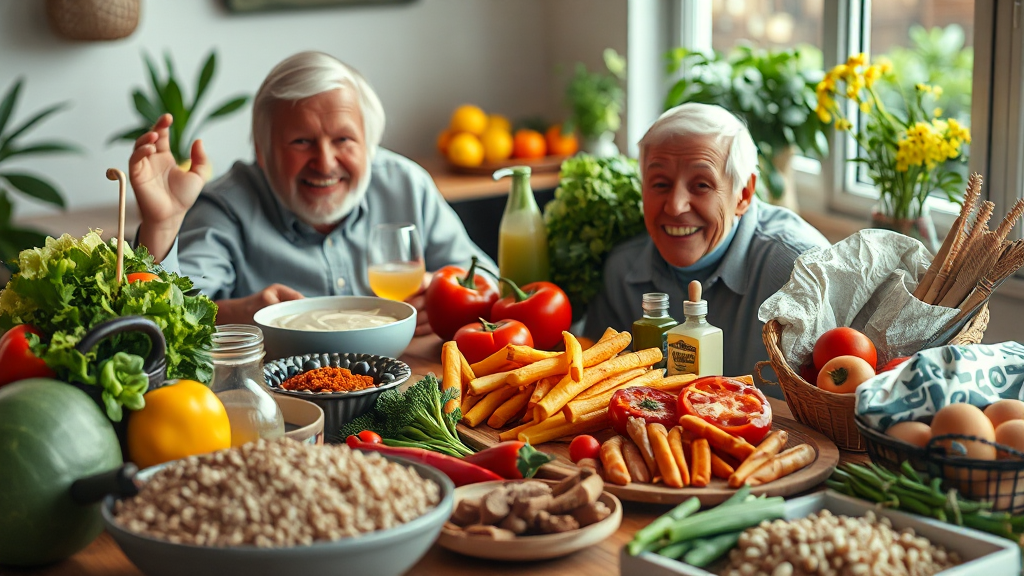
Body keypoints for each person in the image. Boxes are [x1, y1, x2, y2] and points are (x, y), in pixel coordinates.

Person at [129, 51, 493, 330]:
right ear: (262, 151)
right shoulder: (226, 207)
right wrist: (163, 224)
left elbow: (489, 284)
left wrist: (440, 288)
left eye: (343, 139)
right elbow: (165, 317)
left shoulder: (406, 184)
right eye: (301, 141)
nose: (325, 162)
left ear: (370, 144)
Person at [584, 103, 829, 385]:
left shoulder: (797, 272)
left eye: (701, 185)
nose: (675, 206)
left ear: (743, 194)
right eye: (660, 184)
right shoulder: (621, 271)